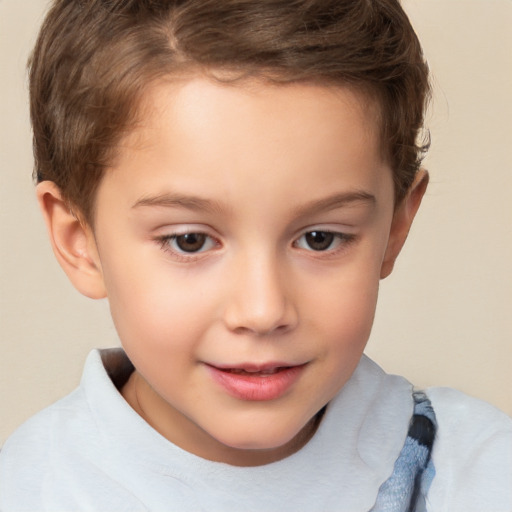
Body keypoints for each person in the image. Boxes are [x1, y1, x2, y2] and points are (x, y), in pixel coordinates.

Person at [0, 0, 510, 510]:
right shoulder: (27, 489)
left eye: (320, 238)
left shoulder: (482, 475)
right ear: (79, 239)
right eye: (190, 241)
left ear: (395, 227)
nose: (263, 311)